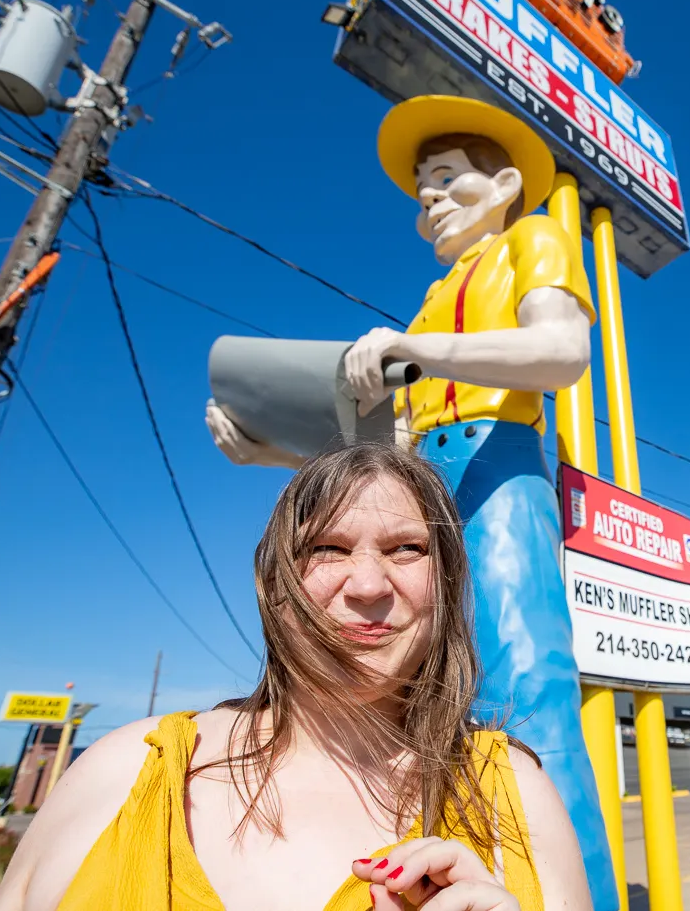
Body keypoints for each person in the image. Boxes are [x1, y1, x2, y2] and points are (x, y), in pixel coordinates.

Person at [205, 94, 617, 909]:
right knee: (431, 705)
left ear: (503, 184)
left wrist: (413, 348)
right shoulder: (432, 302)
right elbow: (392, 448)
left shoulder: (534, 240)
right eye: (422, 187)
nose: (428, 199)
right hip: (420, 489)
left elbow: (563, 351)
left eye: (446, 179)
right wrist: (270, 452)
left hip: (497, 463)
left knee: (524, 688)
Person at [0, 443, 594, 911]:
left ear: (447, 584)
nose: (367, 587)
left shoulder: (512, 795)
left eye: (407, 549)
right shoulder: (125, 771)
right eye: (326, 549)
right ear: (273, 585)